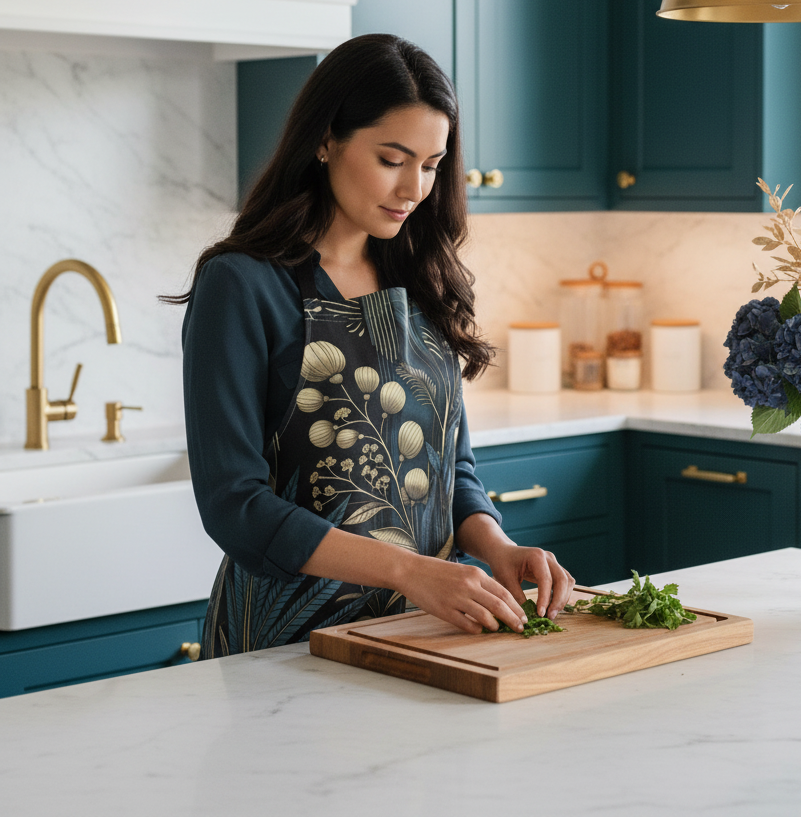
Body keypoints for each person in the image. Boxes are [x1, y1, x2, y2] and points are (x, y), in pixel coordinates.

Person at [170, 34, 574, 658]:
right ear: (326, 140)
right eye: (392, 158)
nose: (415, 188)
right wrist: (408, 569)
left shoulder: (424, 277)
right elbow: (235, 505)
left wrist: (498, 548)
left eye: (433, 164)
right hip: (289, 644)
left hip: (427, 633)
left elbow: (449, 469)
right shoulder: (243, 284)